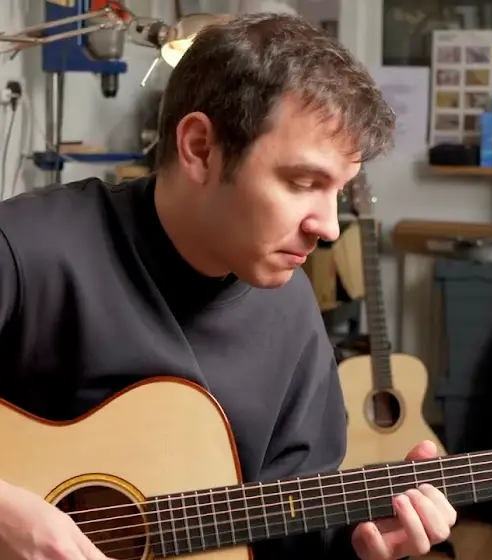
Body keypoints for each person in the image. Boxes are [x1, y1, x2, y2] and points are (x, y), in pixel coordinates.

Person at [0, 11, 456, 560]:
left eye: (338, 191)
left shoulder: (290, 313)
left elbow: (289, 531)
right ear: (199, 148)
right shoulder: (26, 248)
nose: (330, 227)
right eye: (303, 182)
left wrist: (360, 544)